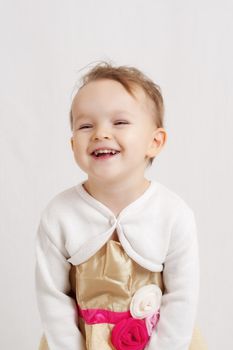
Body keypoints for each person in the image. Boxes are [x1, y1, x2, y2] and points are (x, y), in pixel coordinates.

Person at [35, 62, 208, 350]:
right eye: (86, 125)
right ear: (72, 144)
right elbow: (52, 296)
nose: (100, 133)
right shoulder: (59, 215)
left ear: (155, 142)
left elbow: (182, 297)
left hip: (166, 339)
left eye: (119, 122)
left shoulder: (174, 214)